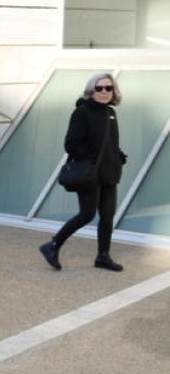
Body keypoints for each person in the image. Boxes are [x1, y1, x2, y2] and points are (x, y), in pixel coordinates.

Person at [39, 74, 127, 273]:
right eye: (99, 88)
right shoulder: (82, 112)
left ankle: (103, 256)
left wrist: (118, 155)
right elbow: (71, 144)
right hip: (90, 173)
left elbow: (109, 141)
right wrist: (92, 158)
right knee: (87, 214)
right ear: (91, 90)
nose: (104, 92)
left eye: (108, 88)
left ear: (113, 91)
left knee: (107, 216)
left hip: (109, 172)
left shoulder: (111, 112)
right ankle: (52, 245)